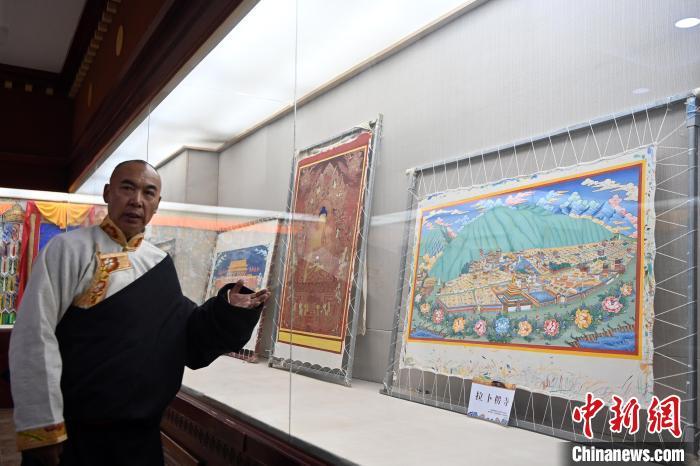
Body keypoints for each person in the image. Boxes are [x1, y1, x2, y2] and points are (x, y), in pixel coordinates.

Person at [9, 160, 270, 466]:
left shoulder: (159, 262)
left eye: (148, 193)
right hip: (77, 434)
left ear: (157, 204)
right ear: (108, 193)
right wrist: (42, 426)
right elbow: (34, 337)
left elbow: (186, 335)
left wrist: (228, 310)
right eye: (127, 188)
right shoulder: (68, 250)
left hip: (141, 440)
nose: (137, 200)